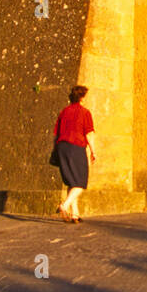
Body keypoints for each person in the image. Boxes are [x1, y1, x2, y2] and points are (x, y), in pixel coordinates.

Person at [53, 84, 95, 222]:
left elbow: (56, 134)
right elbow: (89, 133)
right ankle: (64, 205)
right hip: (75, 146)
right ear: (82, 97)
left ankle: (75, 214)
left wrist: (55, 150)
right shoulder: (84, 112)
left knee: (72, 180)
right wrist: (93, 151)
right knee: (80, 182)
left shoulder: (64, 111)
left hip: (61, 146)